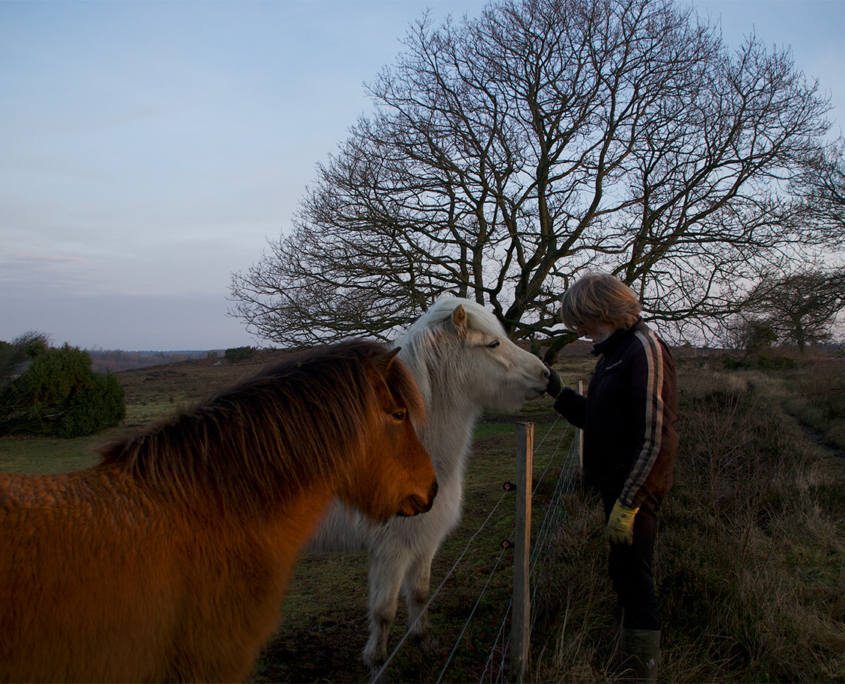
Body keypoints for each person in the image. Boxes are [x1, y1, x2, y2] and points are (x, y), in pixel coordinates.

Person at [545, 273, 678, 683]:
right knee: (622, 573)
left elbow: (657, 436)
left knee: (636, 578)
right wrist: (559, 393)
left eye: (581, 321)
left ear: (603, 311)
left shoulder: (642, 349)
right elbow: (601, 422)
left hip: (634, 490)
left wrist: (630, 500)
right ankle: (627, 655)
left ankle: (640, 672)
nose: (579, 330)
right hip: (616, 487)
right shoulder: (613, 354)